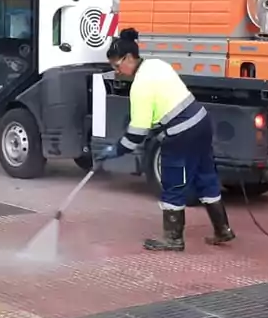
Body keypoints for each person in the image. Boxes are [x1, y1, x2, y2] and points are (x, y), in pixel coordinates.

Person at [97, 28, 235, 252]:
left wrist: (116, 150)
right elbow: (165, 104)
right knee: (205, 176)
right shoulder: (157, 64)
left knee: (174, 181)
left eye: (117, 65)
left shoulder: (140, 86)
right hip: (201, 125)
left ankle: (173, 238)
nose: (117, 71)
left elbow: (136, 134)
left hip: (181, 135)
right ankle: (223, 229)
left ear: (130, 58)